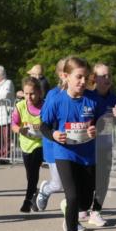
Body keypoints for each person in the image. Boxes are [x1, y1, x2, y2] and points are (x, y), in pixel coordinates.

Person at [40, 56, 104, 231]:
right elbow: (44, 125)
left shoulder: (93, 99)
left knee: (84, 203)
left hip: (88, 157)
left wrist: (97, 129)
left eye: (86, 77)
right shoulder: (57, 100)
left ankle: (71, 210)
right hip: (65, 154)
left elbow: (106, 122)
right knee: (73, 196)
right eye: (79, 77)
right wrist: (53, 135)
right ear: (66, 77)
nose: (83, 82)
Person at [87, 62, 116, 227]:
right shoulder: (88, 96)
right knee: (88, 179)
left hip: (105, 144)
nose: (107, 78)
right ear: (95, 78)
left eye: (109, 75)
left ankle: (96, 212)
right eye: (103, 76)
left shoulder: (114, 98)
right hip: (87, 145)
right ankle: (82, 208)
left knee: (103, 180)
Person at [35, 57, 68, 211]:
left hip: (74, 146)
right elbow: (44, 123)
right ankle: (45, 189)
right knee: (58, 184)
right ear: (62, 75)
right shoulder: (53, 95)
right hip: (54, 144)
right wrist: (55, 133)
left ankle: (76, 216)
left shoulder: (83, 95)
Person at [11, 76, 45, 212]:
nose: (29, 97)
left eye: (32, 93)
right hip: (25, 144)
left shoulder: (46, 106)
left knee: (34, 171)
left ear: (39, 93)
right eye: (26, 93)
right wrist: (20, 130)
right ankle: (35, 194)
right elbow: (13, 124)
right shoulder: (20, 106)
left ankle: (27, 200)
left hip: (40, 143)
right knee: (30, 173)